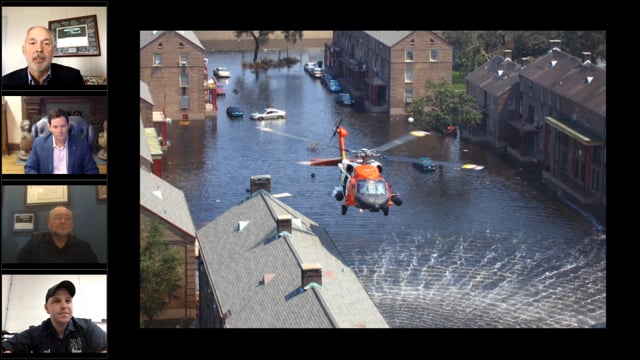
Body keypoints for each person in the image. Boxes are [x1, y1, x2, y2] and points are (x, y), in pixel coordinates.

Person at [1, 280, 107, 353]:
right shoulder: (36, 333)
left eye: (68, 300)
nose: (64, 306)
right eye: (57, 301)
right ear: (47, 308)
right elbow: (7, 346)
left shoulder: (87, 328)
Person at [2, 25, 86, 89]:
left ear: (53, 51)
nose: (39, 49)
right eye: (32, 43)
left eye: (46, 43)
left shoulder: (73, 77)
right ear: (23, 50)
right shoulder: (5, 82)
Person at [24, 107, 99, 174]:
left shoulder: (82, 144)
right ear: (50, 128)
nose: (59, 131)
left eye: (63, 126)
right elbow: (30, 168)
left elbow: (92, 170)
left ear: (68, 126)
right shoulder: (39, 144)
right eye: (55, 127)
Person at [16, 206, 99, 263]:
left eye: (67, 218)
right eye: (57, 217)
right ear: (48, 222)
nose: (63, 221)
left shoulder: (84, 247)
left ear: (72, 223)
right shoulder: (33, 245)